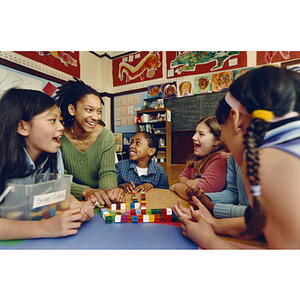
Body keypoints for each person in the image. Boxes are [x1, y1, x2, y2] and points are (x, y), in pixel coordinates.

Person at [171, 66, 300, 249]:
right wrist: (215, 224)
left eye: (221, 127)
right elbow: (268, 220)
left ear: (236, 118)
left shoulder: (267, 163)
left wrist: (209, 240)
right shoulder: (285, 150)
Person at [0, 88, 95, 240]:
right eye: (52, 120)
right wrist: (44, 228)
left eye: (60, 120)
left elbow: (57, 192)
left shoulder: (53, 153)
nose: (61, 127)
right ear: (22, 127)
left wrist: (78, 206)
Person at [55, 78, 125, 207]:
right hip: (70, 200)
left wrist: (108, 191)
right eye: (89, 110)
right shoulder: (58, 137)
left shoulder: (106, 136)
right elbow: (60, 179)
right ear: (72, 110)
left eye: (99, 111)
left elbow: (107, 171)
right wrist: (86, 191)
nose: (96, 117)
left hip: (99, 200)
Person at [170, 115, 229, 200]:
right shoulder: (196, 158)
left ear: (217, 140)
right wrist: (190, 182)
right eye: (195, 132)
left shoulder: (220, 160)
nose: (193, 137)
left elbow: (197, 195)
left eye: (201, 134)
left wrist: (176, 187)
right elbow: (181, 178)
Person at [185, 153, 249, 218]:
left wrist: (214, 209)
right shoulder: (233, 157)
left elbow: (257, 213)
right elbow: (234, 192)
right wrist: (206, 198)